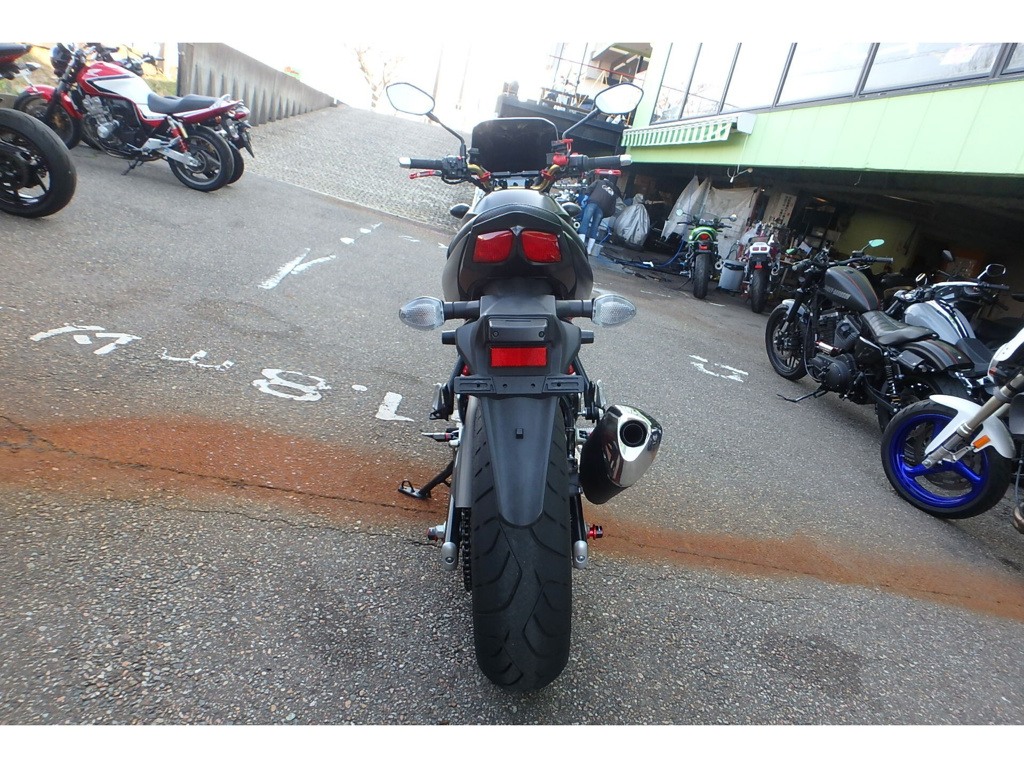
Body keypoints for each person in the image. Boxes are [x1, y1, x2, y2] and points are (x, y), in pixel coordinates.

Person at [578, 173, 620, 255]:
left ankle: (580, 247)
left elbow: (589, 188)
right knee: (595, 226)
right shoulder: (613, 192)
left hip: (593, 202)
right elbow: (612, 209)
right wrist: (605, 214)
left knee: (585, 222)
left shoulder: (599, 182)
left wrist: (586, 197)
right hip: (602, 209)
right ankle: (589, 250)